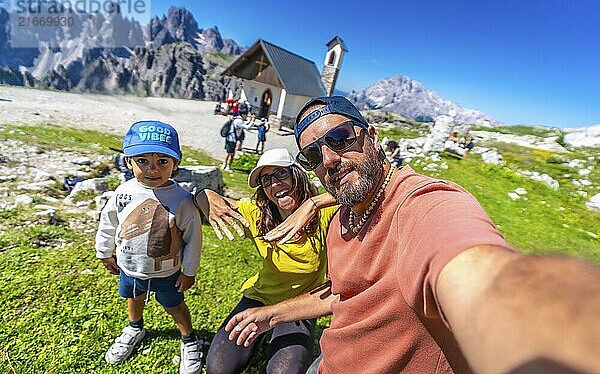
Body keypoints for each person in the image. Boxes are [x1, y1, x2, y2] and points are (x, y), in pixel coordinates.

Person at [224, 96, 600, 374]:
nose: (329, 160)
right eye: (313, 156)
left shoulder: (422, 203)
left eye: (340, 138)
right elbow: (342, 295)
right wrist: (272, 313)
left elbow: (479, 273)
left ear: (371, 135)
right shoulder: (341, 220)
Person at [193, 148, 339, 374]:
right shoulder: (257, 214)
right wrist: (205, 195)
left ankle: (270, 331)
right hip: (260, 298)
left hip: (301, 304)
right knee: (218, 368)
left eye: (280, 174)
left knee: (283, 372)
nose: (274, 184)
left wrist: (313, 204)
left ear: (297, 174)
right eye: (266, 180)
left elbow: (365, 189)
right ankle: (259, 336)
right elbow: (202, 200)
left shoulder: (324, 214)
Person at [95, 120, 204, 374]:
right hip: (130, 267)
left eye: (162, 162)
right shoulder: (123, 192)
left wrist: (189, 271)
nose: (152, 169)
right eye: (142, 160)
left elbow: (193, 238)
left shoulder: (183, 201)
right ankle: (135, 327)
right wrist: (104, 251)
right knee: (134, 296)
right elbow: (109, 221)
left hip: (167, 271)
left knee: (174, 305)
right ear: (128, 161)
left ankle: (189, 339)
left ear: (175, 164)